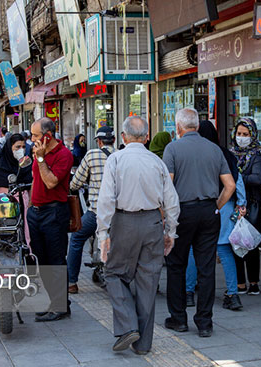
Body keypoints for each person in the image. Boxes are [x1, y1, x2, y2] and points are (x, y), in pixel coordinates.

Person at [97, 116, 180, 354]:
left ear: (122, 137)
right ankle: (143, 344)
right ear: (146, 137)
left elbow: (106, 199)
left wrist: (103, 233)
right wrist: (170, 232)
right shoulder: (156, 161)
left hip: (124, 222)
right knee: (148, 281)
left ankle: (128, 325)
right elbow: (171, 201)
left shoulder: (116, 159)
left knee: (113, 273)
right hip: (153, 221)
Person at [162, 108, 236, 338]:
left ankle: (179, 319)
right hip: (208, 211)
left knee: (176, 265)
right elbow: (230, 185)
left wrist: (165, 215)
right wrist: (217, 205)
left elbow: (167, 186)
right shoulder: (214, 149)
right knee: (206, 267)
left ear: (179, 127)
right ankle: (205, 322)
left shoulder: (172, 148)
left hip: (182, 211)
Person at [184, 121, 247, 311]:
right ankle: (233, 294)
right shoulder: (225, 154)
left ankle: (188, 293)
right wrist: (241, 204)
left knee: (194, 250)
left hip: (199, 205)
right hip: (225, 206)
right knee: (225, 250)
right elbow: (237, 180)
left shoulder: (194, 154)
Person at [28, 118, 73, 322]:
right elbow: (35, 180)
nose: (32, 140)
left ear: (48, 135)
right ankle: (54, 301)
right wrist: (30, 205)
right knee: (41, 259)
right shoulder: (38, 153)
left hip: (54, 212)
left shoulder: (64, 154)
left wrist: (41, 159)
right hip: (36, 211)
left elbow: (51, 182)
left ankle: (61, 305)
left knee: (55, 259)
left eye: (36, 136)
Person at [68, 126, 116, 294]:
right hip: (119, 214)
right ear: (114, 140)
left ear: (99, 141)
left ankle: (72, 282)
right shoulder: (120, 155)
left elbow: (75, 183)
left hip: (96, 213)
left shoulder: (91, 155)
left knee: (76, 238)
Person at [230, 117, 261, 295]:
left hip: (252, 205)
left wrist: (236, 179)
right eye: (239, 134)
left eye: (245, 134)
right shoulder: (230, 153)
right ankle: (240, 283)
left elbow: (258, 178)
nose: (241, 137)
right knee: (235, 242)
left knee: (250, 244)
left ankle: (254, 282)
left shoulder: (257, 154)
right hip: (234, 204)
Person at [0, 133, 33, 242]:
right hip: (4, 211)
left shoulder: (25, 165)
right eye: (17, 147)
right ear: (10, 148)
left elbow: (30, 184)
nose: (21, 150)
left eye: (23, 147)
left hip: (25, 209)